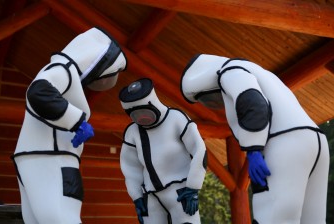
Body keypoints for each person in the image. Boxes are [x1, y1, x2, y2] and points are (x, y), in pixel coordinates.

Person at [180, 54, 330, 224]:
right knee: (313, 219)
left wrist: (253, 149)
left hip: (283, 142)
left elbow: (253, 102)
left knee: (274, 216)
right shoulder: (262, 73)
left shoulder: (230, 72)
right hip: (316, 141)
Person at [12, 27, 127, 224]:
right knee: (61, 218)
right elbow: (38, 93)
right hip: (51, 158)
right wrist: (76, 122)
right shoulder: (63, 70)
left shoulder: (57, 69)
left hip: (33, 158)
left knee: (38, 220)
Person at [119, 78, 207, 224]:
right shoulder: (132, 132)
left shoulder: (176, 118)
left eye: (144, 111)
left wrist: (193, 188)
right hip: (151, 197)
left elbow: (199, 150)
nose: (142, 117)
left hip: (180, 192)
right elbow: (131, 168)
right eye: (136, 114)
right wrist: (137, 197)